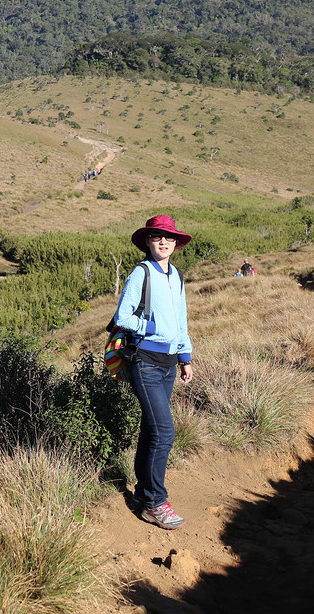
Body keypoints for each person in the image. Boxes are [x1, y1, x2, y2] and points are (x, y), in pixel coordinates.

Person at [114, 214, 194, 530]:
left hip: (169, 364)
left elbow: (182, 320)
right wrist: (152, 327)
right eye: (157, 236)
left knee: (151, 430)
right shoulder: (141, 273)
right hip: (143, 361)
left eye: (169, 237)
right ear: (148, 241)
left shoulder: (176, 275)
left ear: (176, 243)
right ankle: (156, 503)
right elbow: (123, 316)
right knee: (165, 432)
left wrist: (185, 357)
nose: (163, 241)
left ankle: (142, 494)